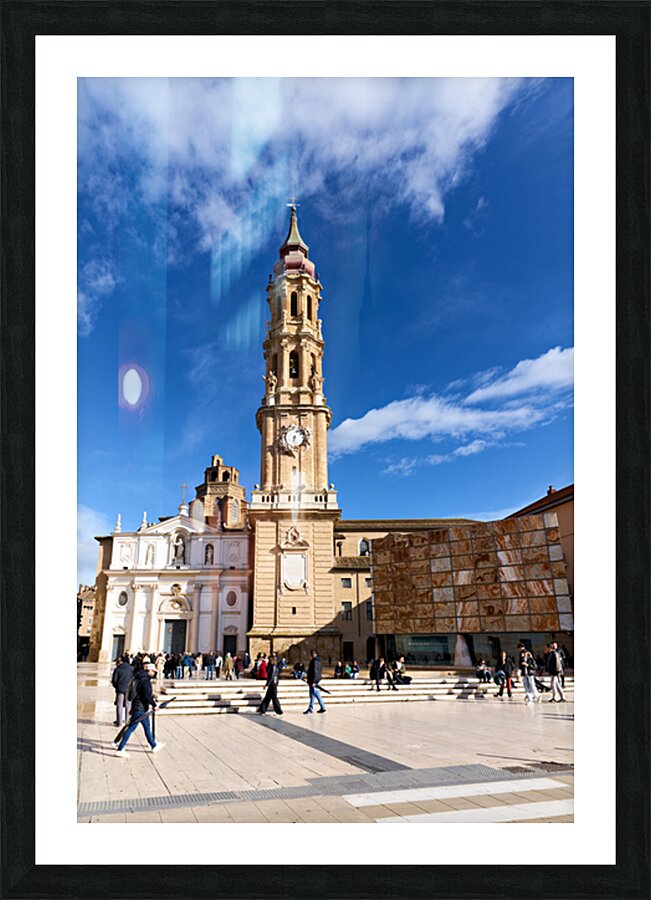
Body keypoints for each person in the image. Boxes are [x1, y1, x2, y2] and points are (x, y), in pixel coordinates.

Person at [114, 663, 165, 757]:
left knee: (147, 727)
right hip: (140, 708)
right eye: (153, 671)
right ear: (149, 671)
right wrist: (154, 705)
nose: (154, 673)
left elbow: (136, 694)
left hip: (139, 707)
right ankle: (120, 749)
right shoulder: (145, 680)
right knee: (131, 728)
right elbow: (146, 695)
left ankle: (154, 745)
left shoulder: (139, 678)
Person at [111, 655, 134, 726]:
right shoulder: (131, 669)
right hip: (129, 690)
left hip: (120, 689)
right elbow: (134, 679)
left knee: (119, 705)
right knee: (128, 705)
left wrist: (117, 687)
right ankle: (127, 721)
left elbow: (114, 680)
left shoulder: (117, 669)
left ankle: (119, 722)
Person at [304, 649, 326, 714]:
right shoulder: (318, 661)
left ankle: (321, 707)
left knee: (315, 693)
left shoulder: (314, 662)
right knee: (313, 694)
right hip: (314, 680)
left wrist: (314, 681)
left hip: (313, 681)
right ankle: (314, 708)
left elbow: (315, 672)